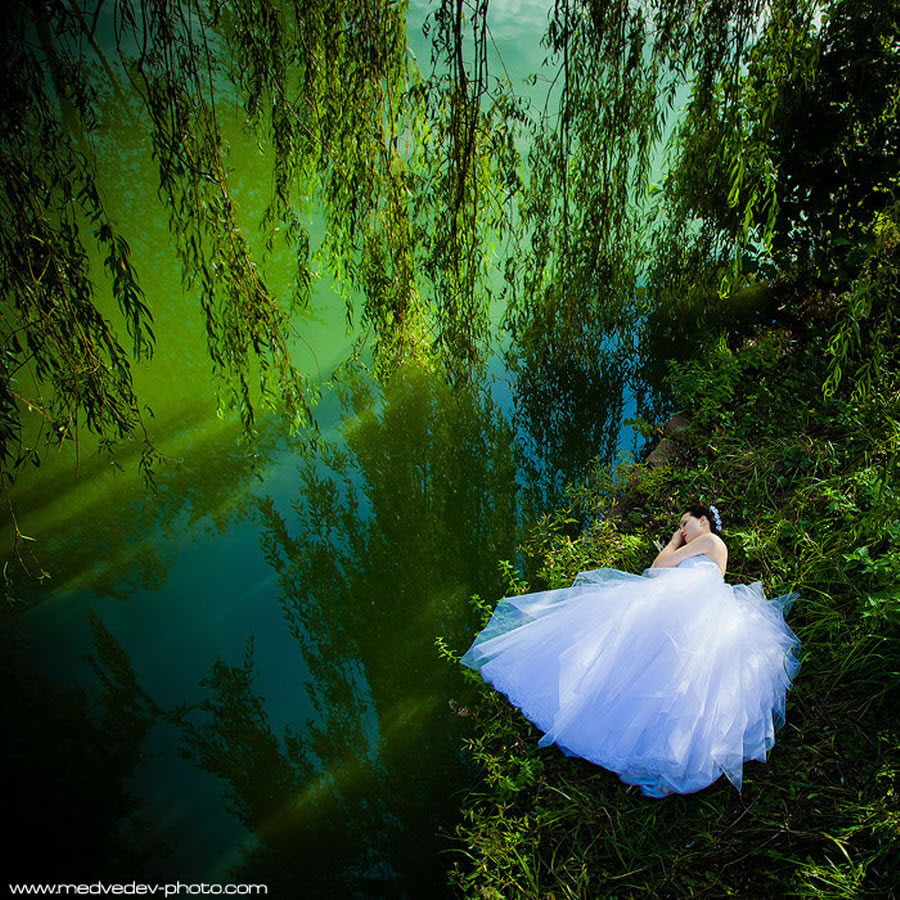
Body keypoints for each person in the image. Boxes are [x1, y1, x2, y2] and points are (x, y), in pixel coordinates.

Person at [461, 504, 801, 798]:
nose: (682, 530)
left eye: (685, 523)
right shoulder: (704, 548)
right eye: (680, 528)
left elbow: (658, 570)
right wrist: (676, 544)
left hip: (686, 602)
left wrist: (672, 543)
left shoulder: (709, 541)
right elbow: (661, 571)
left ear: (704, 520)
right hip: (685, 600)